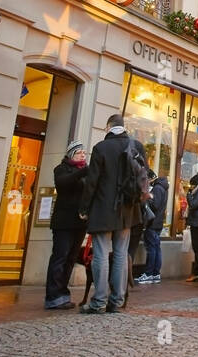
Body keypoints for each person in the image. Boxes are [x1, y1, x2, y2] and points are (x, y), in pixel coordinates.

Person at [78, 115, 147, 314]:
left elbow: (92, 183)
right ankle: (116, 301)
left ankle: (99, 301)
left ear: (108, 127)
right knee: (121, 254)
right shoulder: (137, 146)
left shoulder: (101, 148)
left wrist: (84, 208)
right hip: (127, 210)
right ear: (123, 128)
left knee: (100, 253)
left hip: (103, 208)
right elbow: (144, 177)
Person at [43, 140, 89, 309]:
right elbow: (63, 184)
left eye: (84, 153)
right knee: (60, 257)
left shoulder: (85, 173)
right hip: (63, 222)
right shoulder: (61, 169)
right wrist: (83, 171)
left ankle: (62, 293)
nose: (82, 155)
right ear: (71, 154)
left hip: (80, 222)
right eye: (79, 153)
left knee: (71, 258)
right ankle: (52, 295)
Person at [135, 168, 168, 284]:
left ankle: (149, 273)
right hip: (157, 222)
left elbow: (155, 205)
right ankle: (155, 273)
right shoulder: (162, 187)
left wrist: (148, 197)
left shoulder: (158, 188)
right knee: (156, 248)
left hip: (153, 223)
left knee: (152, 249)